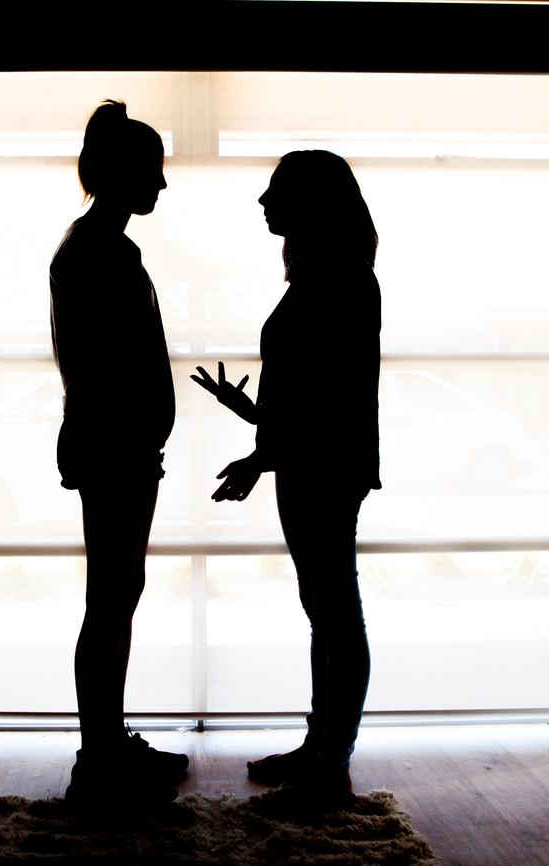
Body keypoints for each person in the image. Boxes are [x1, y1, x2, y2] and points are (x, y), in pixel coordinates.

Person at [192, 149, 381, 806]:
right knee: (323, 612)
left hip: (325, 468)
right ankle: (320, 748)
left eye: (276, 192)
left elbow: (329, 401)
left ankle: (331, 762)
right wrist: (259, 445)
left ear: (312, 204)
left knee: (335, 612)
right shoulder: (321, 278)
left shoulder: (344, 281)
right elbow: (309, 397)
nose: (263, 202)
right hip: (311, 463)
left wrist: (258, 432)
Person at [49, 99, 188, 807]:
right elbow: (97, 366)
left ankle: (106, 740)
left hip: (121, 447)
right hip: (116, 449)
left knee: (116, 595)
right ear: (121, 173)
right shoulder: (95, 252)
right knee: (110, 598)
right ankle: (99, 752)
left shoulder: (99, 247)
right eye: (153, 171)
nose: (161, 185)